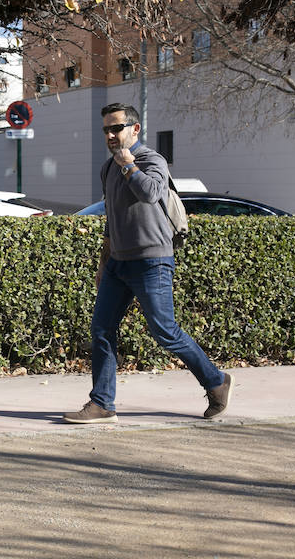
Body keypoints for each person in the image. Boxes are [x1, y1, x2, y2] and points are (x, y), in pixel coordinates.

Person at [63, 103, 233, 424]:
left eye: (117, 128)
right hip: (118, 263)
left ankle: (216, 381)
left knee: (164, 331)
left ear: (135, 129)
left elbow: (150, 192)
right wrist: (103, 263)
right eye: (106, 130)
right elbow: (111, 221)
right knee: (102, 329)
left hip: (152, 260)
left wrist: (129, 164)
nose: (111, 135)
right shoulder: (107, 168)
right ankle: (102, 404)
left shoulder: (150, 159)